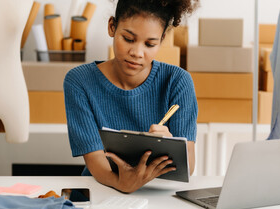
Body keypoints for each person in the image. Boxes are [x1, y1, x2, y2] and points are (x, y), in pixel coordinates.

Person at [64, 0, 199, 193]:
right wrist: (120, 183)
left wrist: (172, 145)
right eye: (128, 39)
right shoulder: (79, 81)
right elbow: (95, 160)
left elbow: (189, 167)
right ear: (112, 27)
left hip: (159, 192)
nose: (137, 53)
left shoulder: (178, 81)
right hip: (105, 187)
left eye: (150, 44)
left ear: (161, 40)